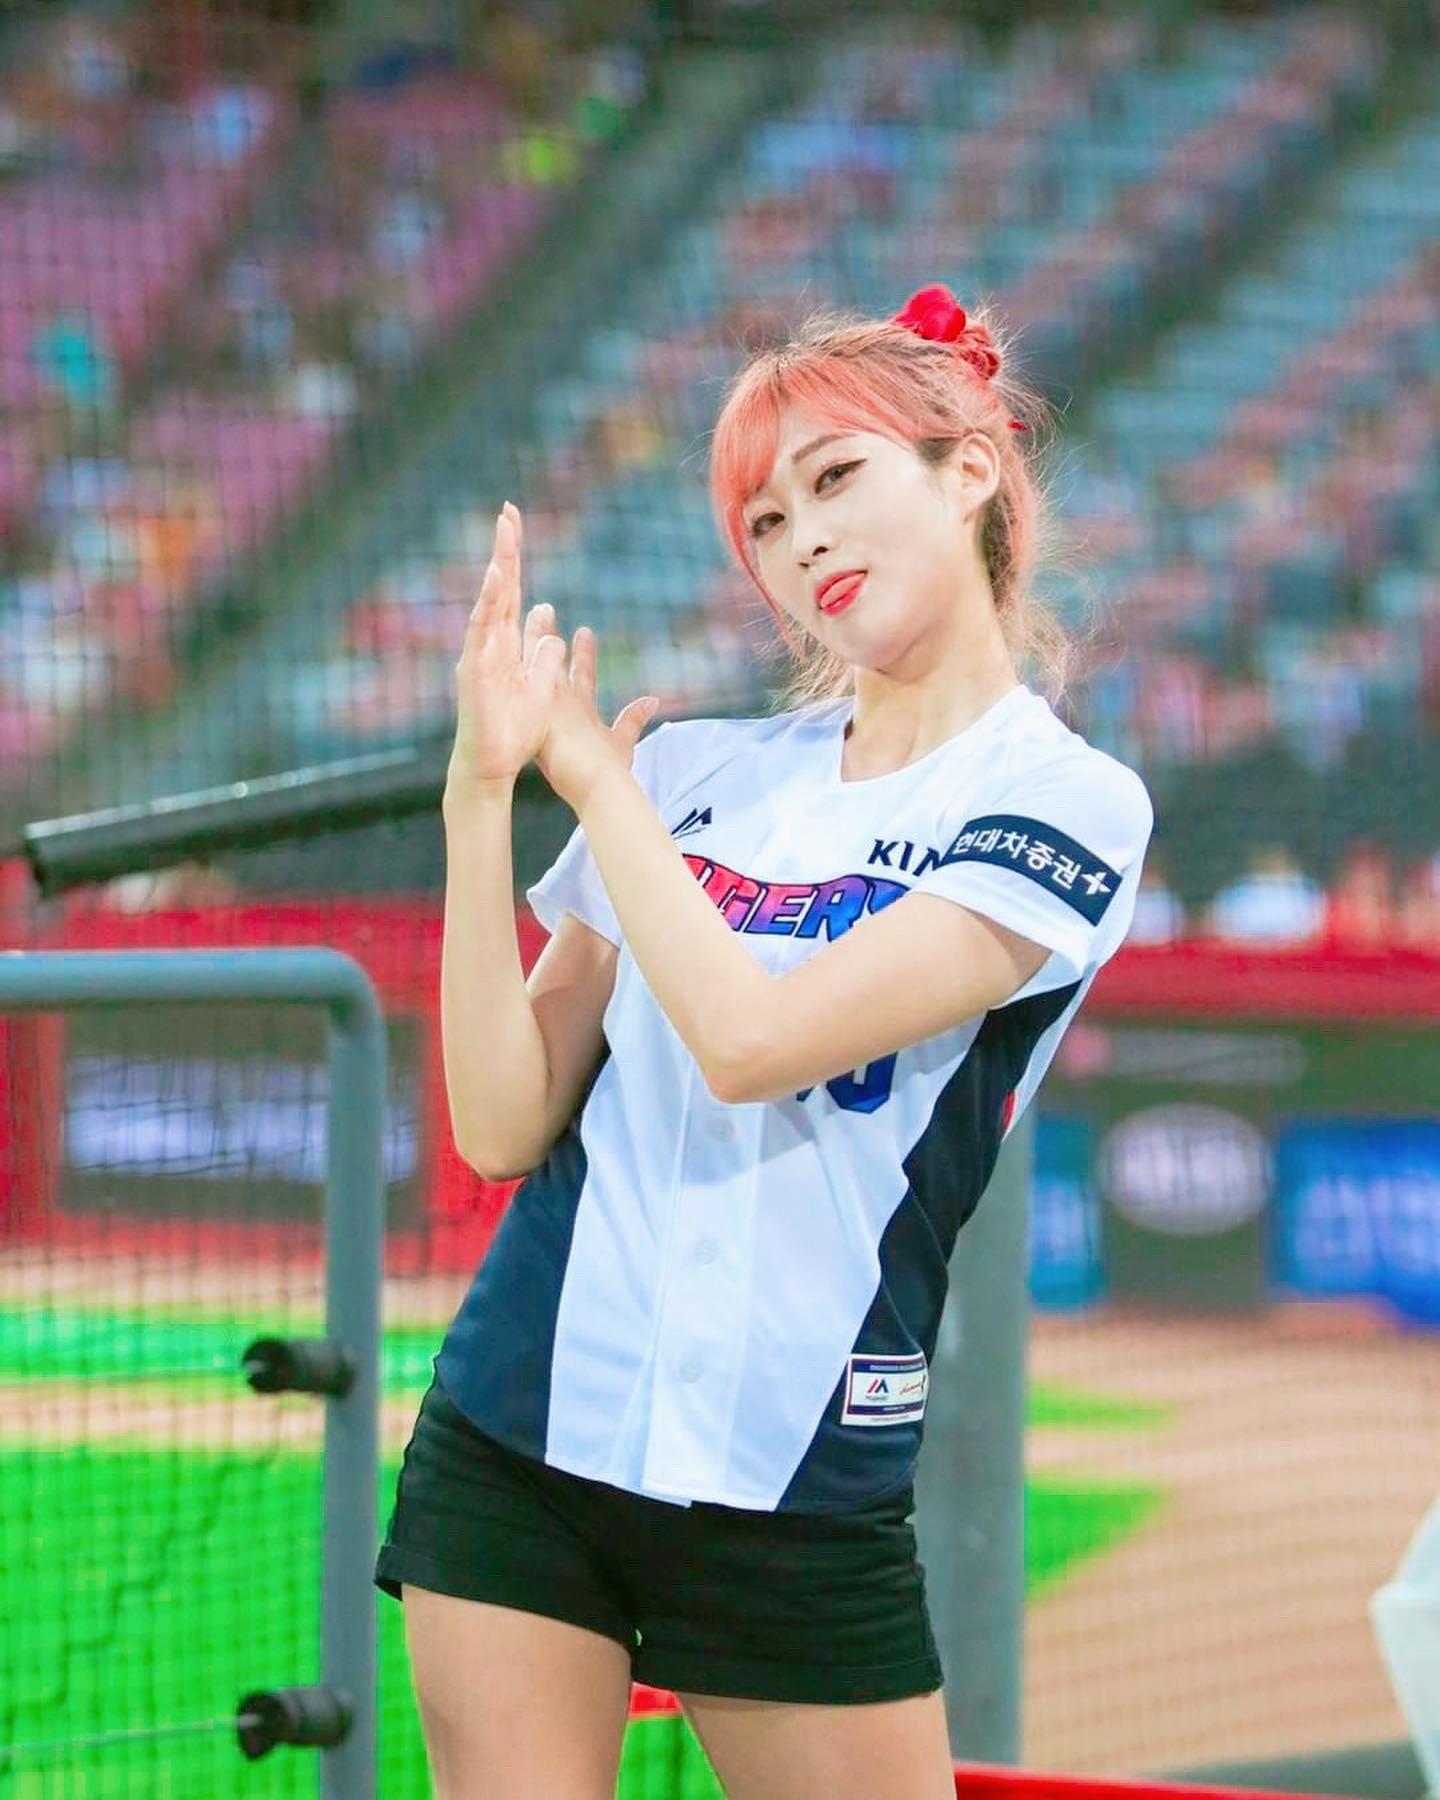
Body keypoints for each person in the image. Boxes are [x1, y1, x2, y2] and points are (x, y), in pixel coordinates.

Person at [375, 282, 1154, 1798]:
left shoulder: (1066, 802)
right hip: (520, 1433)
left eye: (837, 478)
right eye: (766, 521)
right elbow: (502, 1122)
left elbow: (755, 1040)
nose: (803, 540)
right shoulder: (695, 773)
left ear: (971, 471)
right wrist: (480, 797)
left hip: (794, 1488)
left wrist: (601, 783)